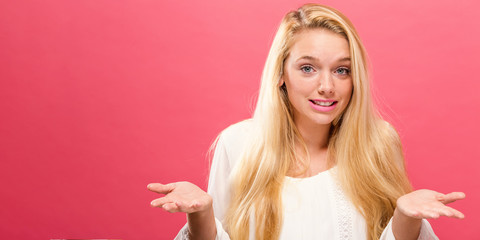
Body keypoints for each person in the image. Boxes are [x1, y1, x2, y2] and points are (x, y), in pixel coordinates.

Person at [147, 3, 465, 240]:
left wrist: (406, 217)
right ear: (280, 74)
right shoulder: (238, 144)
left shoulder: (378, 142)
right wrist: (201, 215)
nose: (327, 86)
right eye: (308, 68)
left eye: (342, 70)